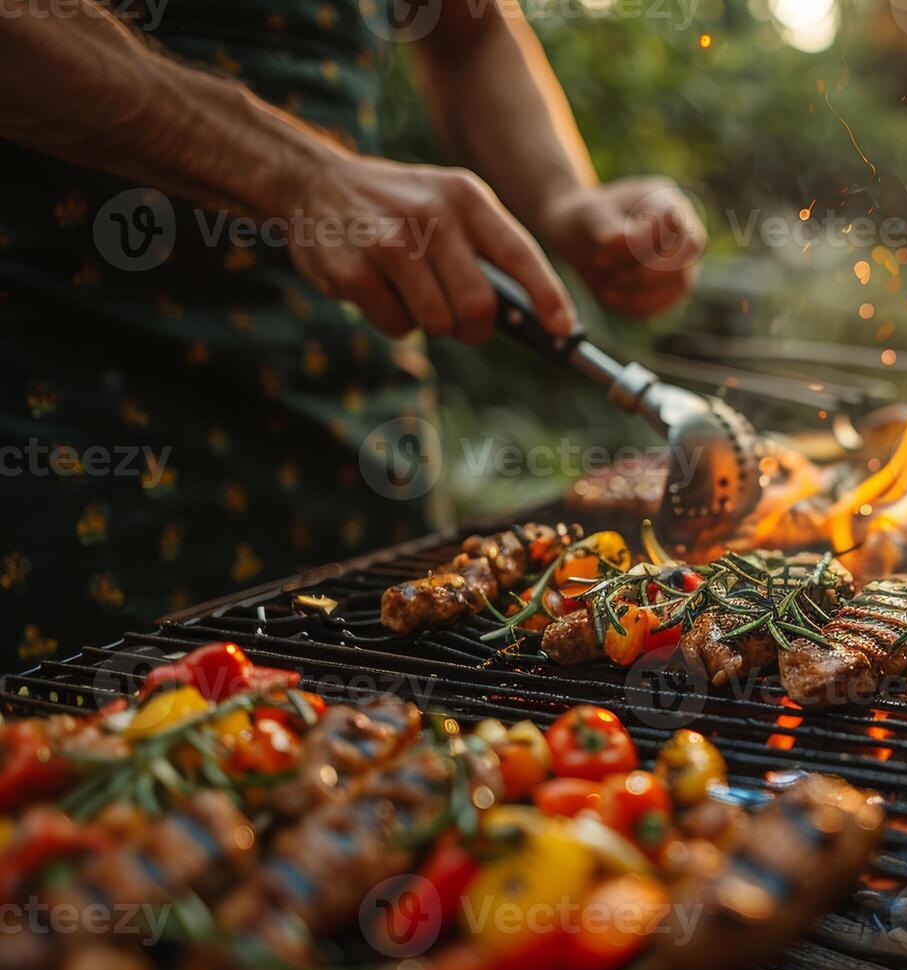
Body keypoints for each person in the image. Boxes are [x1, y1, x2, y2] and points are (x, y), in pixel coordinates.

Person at [0, 0, 707, 669]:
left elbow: (470, 32)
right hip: (75, 417)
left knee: (401, 713)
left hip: (354, 417)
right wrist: (298, 175)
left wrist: (566, 197)